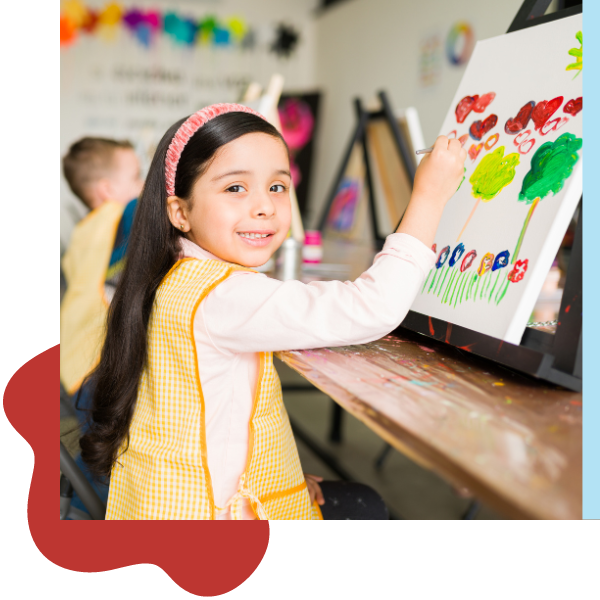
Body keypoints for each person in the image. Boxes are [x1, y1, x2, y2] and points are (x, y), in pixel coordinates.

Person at [78, 104, 466, 520]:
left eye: (277, 187)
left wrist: (280, 476)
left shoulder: (172, 272)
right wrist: (429, 195)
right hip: (209, 527)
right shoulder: (223, 295)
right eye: (235, 188)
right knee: (365, 505)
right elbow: (372, 307)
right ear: (181, 212)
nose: (264, 206)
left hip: (161, 501)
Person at [60, 138, 143, 398]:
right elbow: (141, 207)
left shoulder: (84, 232)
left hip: (74, 359)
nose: (142, 185)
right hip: (97, 361)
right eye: (137, 177)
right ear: (106, 190)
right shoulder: (117, 213)